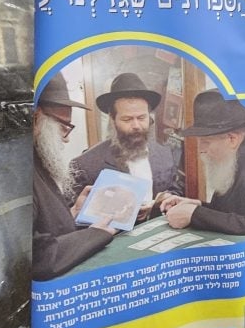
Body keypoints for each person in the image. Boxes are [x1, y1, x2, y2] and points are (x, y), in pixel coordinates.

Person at [32, 72, 117, 281]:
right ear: (36, 118)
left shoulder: (38, 161)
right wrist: (95, 233)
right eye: (64, 127)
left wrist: (73, 214)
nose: (66, 139)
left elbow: (45, 228)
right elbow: (38, 256)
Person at [71, 73, 183, 213]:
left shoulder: (165, 154)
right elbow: (72, 215)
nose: (136, 125)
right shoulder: (85, 165)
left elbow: (175, 191)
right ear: (113, 120)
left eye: (141, 118)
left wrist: (165, 199)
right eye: (127, 119)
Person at [159, 90, 245, 235]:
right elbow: (230, 211)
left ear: (232, 139)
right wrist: (197, 206)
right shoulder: (235, 156)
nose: (201, 150)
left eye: (206, 142)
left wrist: (195, 215)